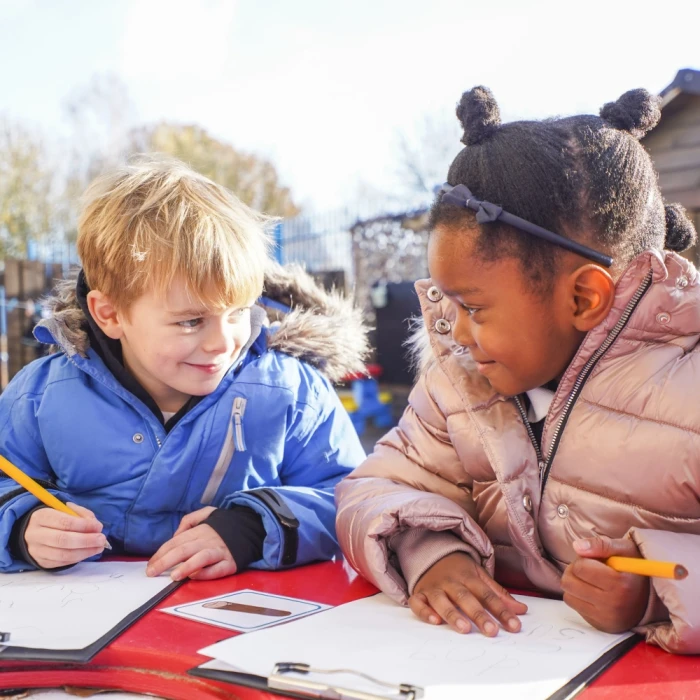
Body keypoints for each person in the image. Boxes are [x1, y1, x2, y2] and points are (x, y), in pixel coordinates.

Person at [336, 87, 700, 654]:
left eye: (474, 308)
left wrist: (657, 593)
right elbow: (375, 490)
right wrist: (433, 553)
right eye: (449, 305)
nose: (454, 332)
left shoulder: (690, 393)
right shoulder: (456, 387)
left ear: (583, 299)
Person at [0, 156, 368, 581]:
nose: (222, 341)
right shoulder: (41, 396)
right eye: (191, 321)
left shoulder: (290, 391)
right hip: (85, 627)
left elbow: (352, 498)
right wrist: (22, 529)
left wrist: (250, 529)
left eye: (237, 312)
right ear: (110, 314)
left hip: (242, 627)